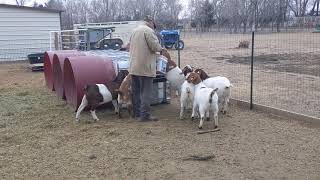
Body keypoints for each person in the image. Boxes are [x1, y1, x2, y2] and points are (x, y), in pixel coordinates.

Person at [128, 15, 167, 122]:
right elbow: (155, 46)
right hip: (145, 66)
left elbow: (128, 46)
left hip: (133, 66)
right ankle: (144, 115)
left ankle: (136, 113)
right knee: (146, 91)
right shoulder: (148, 31)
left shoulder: (135, 31)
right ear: (150, 22)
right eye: (153, 24)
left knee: (136, 91)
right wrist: (162, 48)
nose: (154, 26)